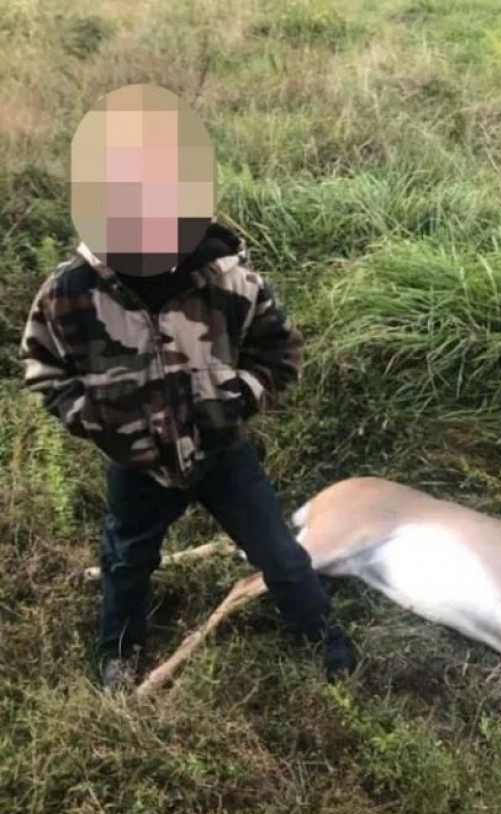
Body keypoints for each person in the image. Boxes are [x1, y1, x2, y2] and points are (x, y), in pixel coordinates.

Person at [18, 83, 354, 691]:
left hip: (222, 454)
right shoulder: (69, 294)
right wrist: (93, 417)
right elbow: (42, 365)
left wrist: (242, 395)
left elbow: (280, 351)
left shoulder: (229, 281)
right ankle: (117, 652)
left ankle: (326, 644)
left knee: (279, 554)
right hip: (138, 463)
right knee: (126, 561)